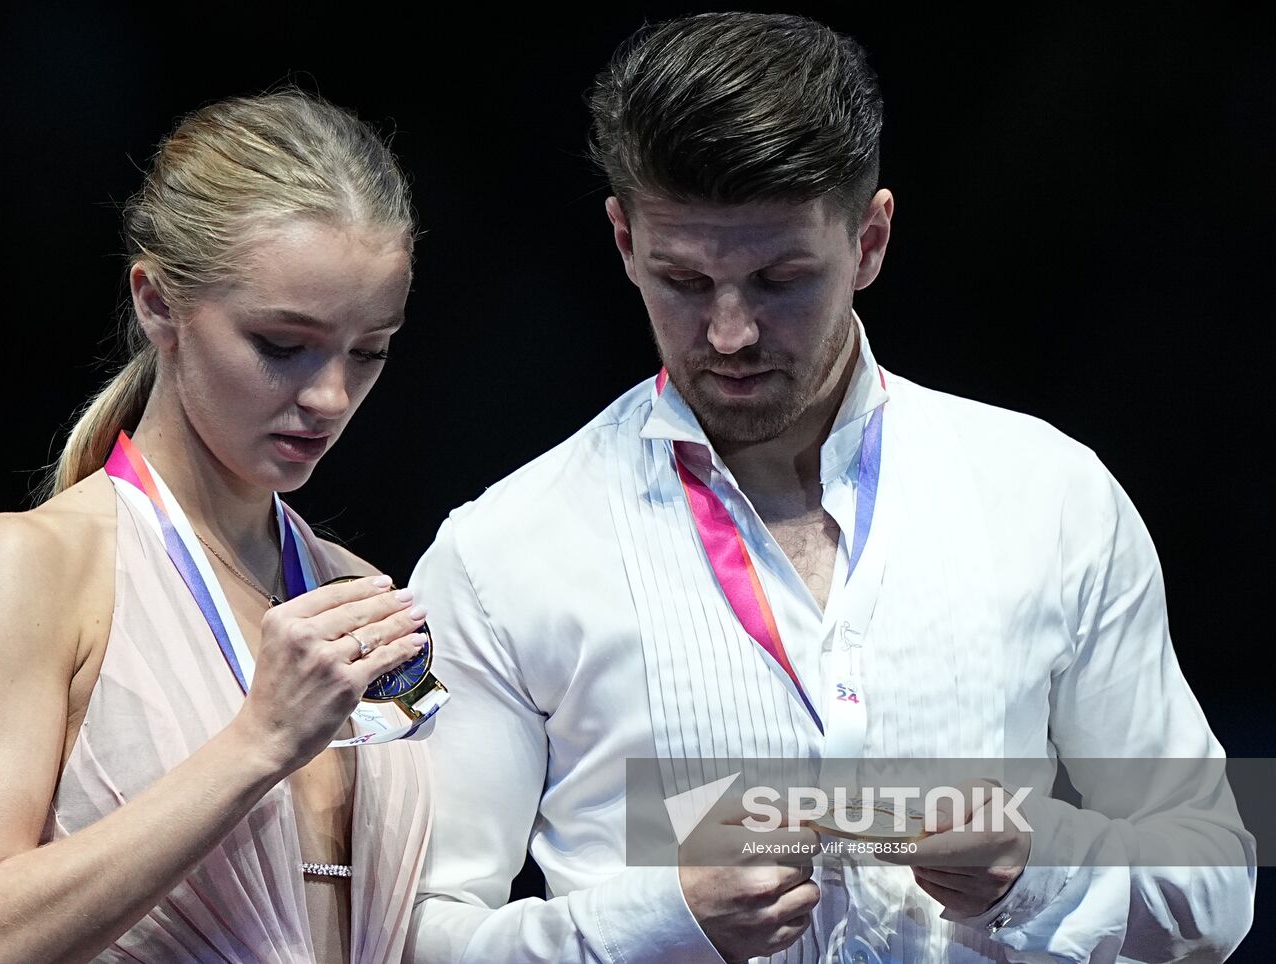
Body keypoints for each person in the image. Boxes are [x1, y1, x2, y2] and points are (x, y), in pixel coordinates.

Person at [407, 12, 1255, 964]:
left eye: (781, 279)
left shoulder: (1049, 497)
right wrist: (652, 924)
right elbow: (413, 932)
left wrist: (1039, 862)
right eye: (683, 280)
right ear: (622, 241)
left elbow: (1217, 877)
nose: (729, 333)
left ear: (872, 240)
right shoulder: (501, 554)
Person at [0, 90, 435, 963]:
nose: (330, 398)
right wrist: (256, 743)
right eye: (281, 344)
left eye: (368, 351)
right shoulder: (25, 567)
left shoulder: (355, 590)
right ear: (157, 303)